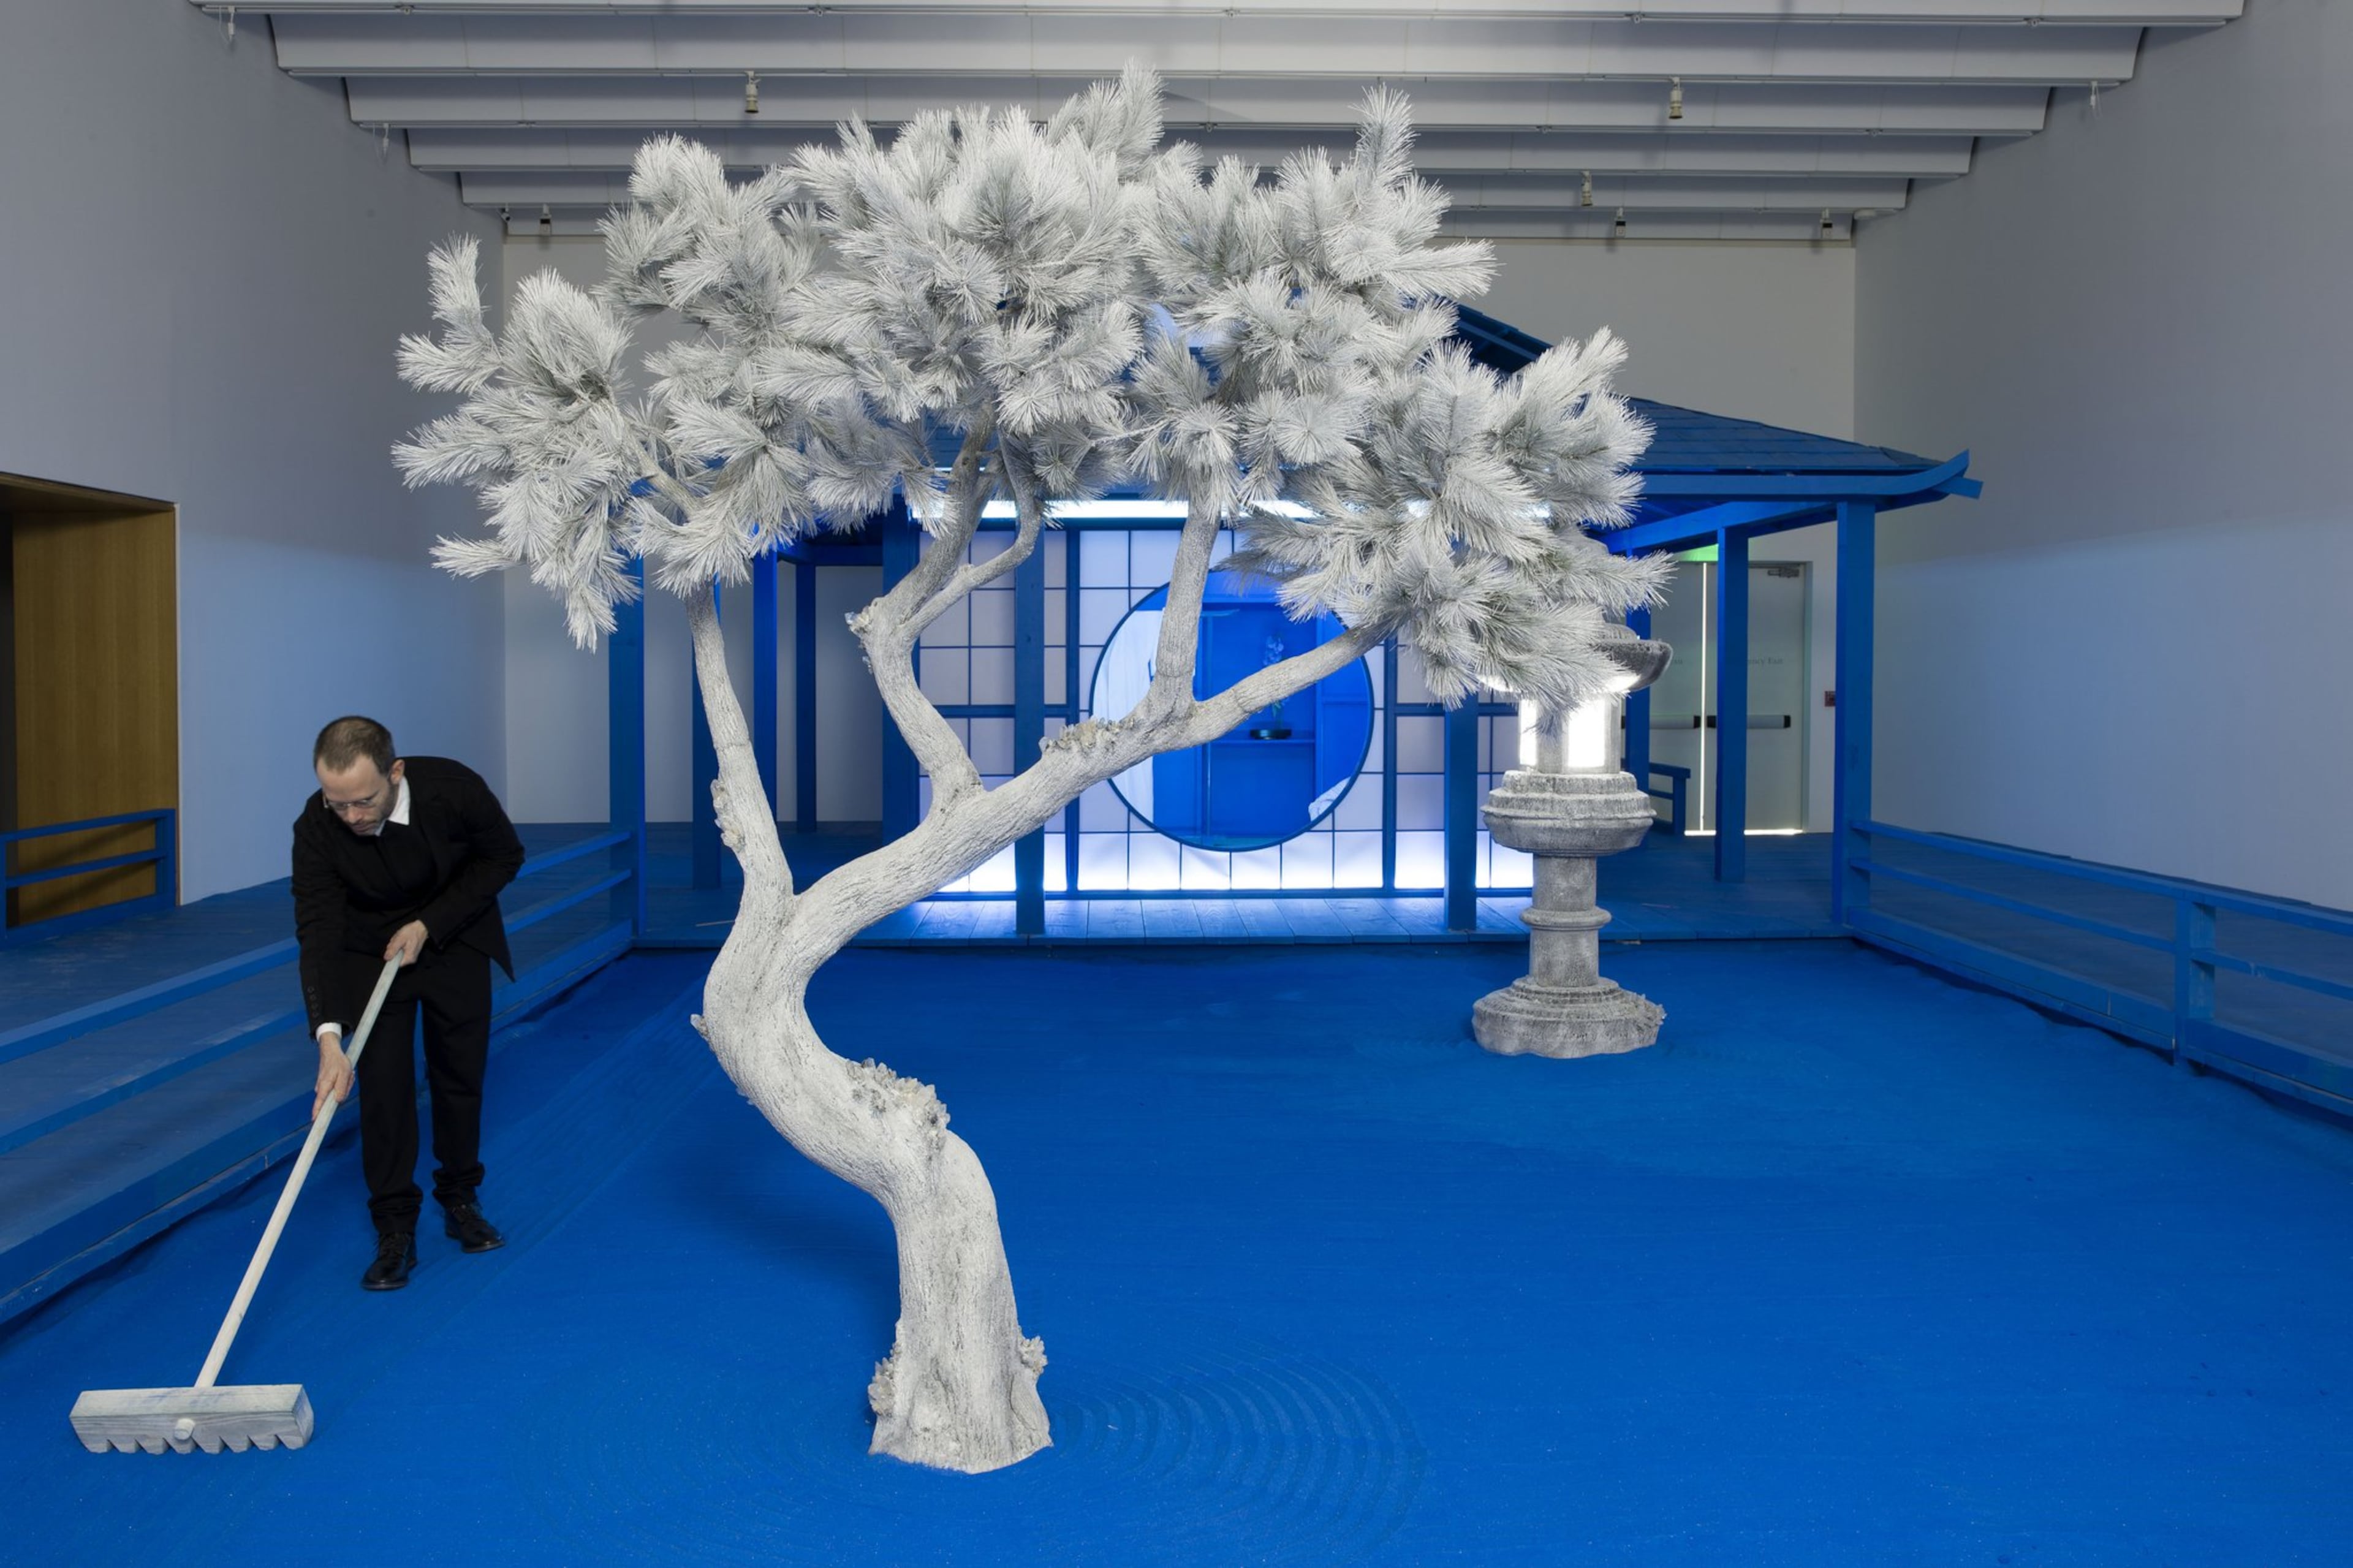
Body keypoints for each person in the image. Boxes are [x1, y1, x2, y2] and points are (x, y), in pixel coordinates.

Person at [294, 716, 525, 1290]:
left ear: (395, 772)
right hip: (370, 954)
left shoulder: (454, 789)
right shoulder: (316, 825)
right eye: (336, 803)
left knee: (458, 1074)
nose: (352, 817)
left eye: (364, 801)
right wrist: (329, 1039)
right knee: (386, 1089)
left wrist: (431, 923)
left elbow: (504, 856)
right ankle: (395, 1226)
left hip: (454, 935)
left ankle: (460, 1198)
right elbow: (318, 927)